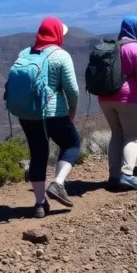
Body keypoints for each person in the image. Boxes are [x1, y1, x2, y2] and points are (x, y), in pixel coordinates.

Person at [15, 17, 81, 218]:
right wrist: (72, 109)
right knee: (72, 144)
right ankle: (58, 183)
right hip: (54, 113)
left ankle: (39, 204)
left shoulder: (25, 53)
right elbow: (72, 89)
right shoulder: (61, 56)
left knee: (38, 154)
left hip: (27, 114)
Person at [97, 16, 137, 191]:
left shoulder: (111, 47)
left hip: (105, 97)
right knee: (131, 136)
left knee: (116, 134)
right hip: (127, 98)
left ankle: (114, 176)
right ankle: (127, 174)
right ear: (135, 29)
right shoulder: (136, 48)